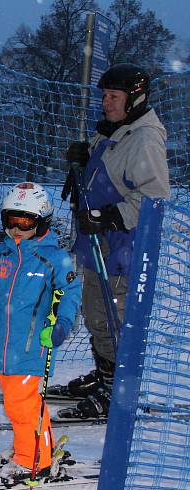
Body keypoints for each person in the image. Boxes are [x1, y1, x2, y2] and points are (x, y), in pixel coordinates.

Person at [60, 63, 170, 418]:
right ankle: (104, 376)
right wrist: (83, 159)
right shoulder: (115, 131)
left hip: (123, 246)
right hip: (100, 242)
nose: (106, 102)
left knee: (112, 318)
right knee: (95, 314)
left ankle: (117, 392)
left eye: (114, 96)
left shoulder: (144, 138)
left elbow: (155, 197)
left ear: (135, 98)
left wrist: (109, 216)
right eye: (104, 96)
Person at [0, 182, 81, 485]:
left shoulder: (53, 259)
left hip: (33, 348)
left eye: (24, 221)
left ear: (41, 222)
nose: (16, 227)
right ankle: (38, 446)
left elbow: (70, 295)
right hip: (3, 348)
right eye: (10, 219)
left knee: (21, 405)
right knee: (24, 403)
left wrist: (60, 327)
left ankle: (33, 460)